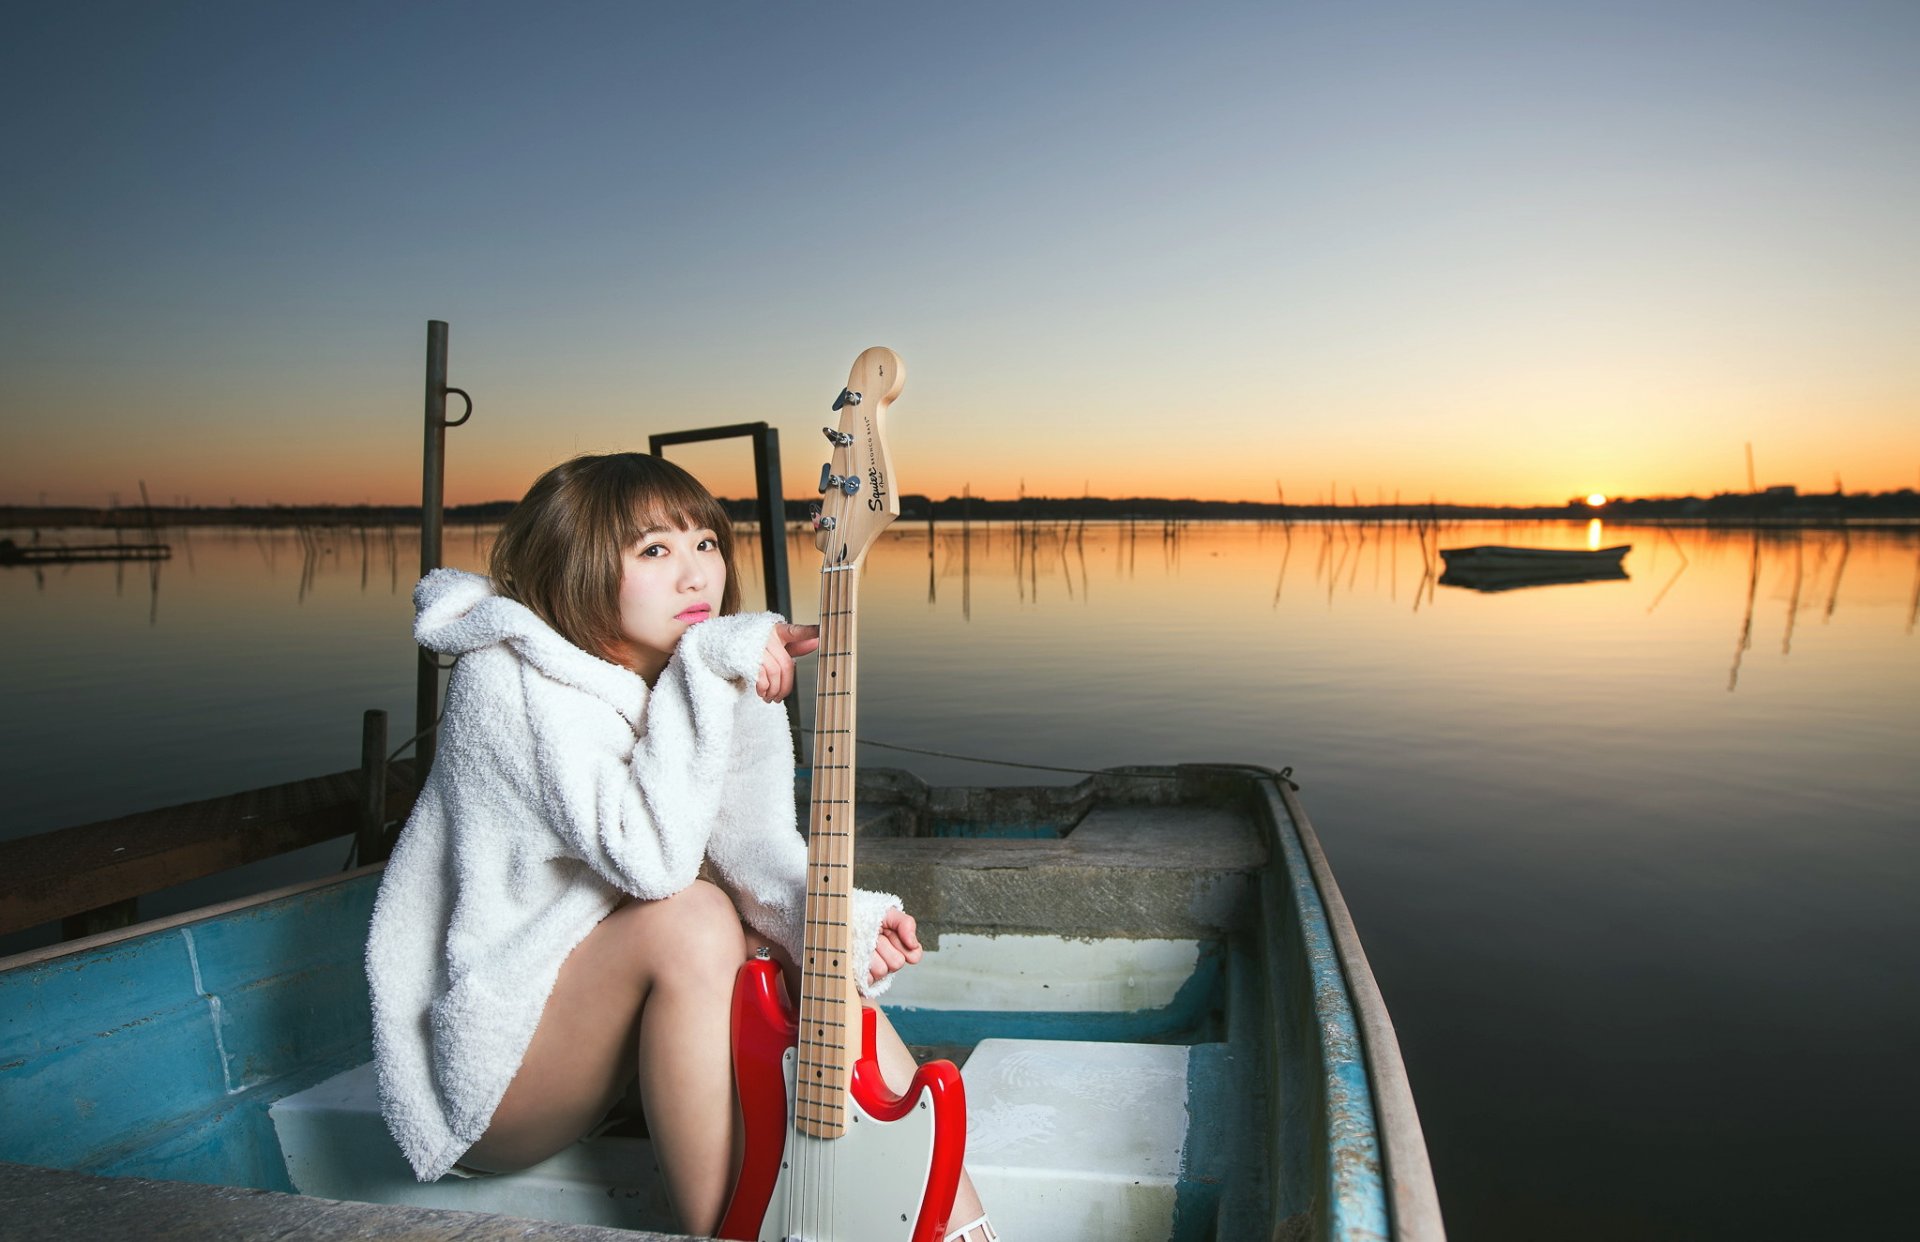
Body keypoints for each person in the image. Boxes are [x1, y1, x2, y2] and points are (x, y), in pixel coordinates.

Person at [364, 452, 996, 1241]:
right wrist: (707, 668)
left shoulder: (691, 664)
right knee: (694, 915)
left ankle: (962, 1228)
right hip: (498, 1079)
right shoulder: (508, 679)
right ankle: (728, 1231)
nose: (698, 576)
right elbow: (653, 863)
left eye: (706, 543)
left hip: (609, 1042)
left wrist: (841, 924)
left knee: (797, 939)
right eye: (655, 551)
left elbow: (756, 851)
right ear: (578, 566)